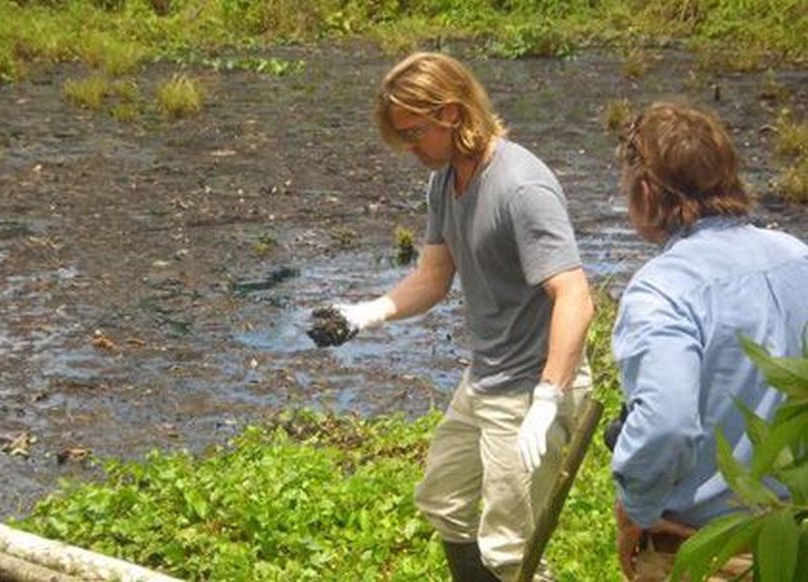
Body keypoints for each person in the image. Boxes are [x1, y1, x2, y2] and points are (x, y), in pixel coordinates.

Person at [309, 52, 594, 581]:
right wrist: (365, 314)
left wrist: (548, 399)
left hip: (532, 387)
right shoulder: (445, 181)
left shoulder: (521, 188)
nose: (410, 148)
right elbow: (434, 276)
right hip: (486, 376)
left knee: (510, 548)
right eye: (401, 136)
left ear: (452, 113)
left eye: (415, 133)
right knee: (444, 501)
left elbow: (575, 295)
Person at [610, 101, 808, 581]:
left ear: (645, 192)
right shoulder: (797, 257)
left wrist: (634, 510)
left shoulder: (663, 288)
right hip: (794, 538)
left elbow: (667, 424)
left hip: (705, 552)